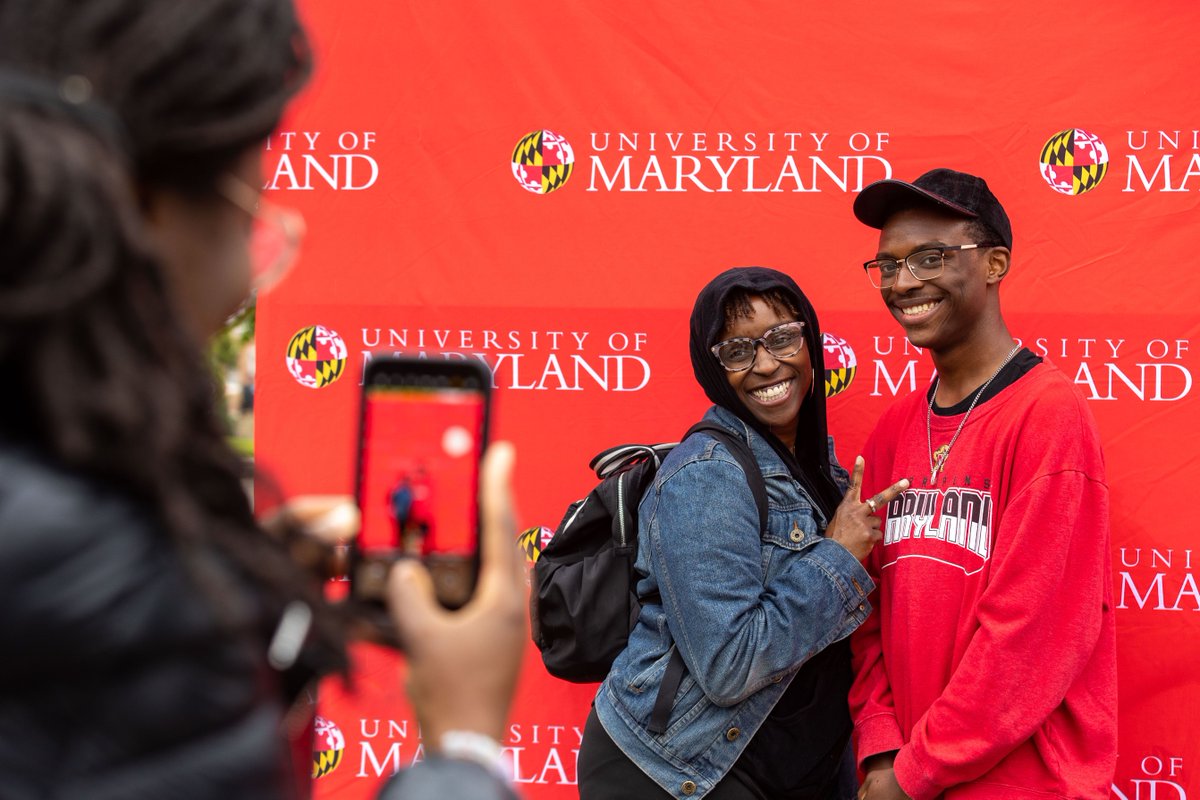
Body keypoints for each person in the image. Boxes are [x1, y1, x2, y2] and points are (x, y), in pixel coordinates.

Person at [0, 1, 525, 798]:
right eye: (246, 217)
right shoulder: (107, 583)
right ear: (138, 211)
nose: (246, 280)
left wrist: (239, 616)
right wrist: (465, 746)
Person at [578, 267, 909, 800]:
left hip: (786, 767)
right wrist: (839, 557)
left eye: (782, 338)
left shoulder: (819, 471)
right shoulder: (707, 474)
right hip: (673, 771)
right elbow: (728, 665)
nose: (766, 364)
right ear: (714, 367)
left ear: (810, 342)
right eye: (737, 350)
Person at [848, 169, 1117, 800]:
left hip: (1021, 784)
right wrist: (883, 746)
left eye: (930, 257)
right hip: (910, 776)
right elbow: (866, 612)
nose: (903, 282)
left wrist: (913, 773)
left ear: (995, 263)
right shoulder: (892, 431)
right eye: (886, 265)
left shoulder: (1048, 415)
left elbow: (1030, 638)